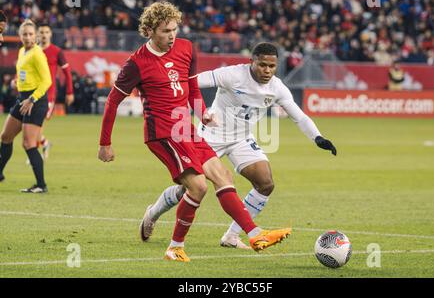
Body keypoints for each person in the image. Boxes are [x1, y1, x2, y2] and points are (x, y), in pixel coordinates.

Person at [97, 2, 291, 262]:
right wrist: (105, 143)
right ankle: (175, 248)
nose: (172, 36)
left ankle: (256, 235)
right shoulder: (137, 63)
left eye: (175, 29)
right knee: (199, 187)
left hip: (185, 128)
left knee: (223, 177)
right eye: (166, 31)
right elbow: (112, 101)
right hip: (162, 133)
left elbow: (192, 88)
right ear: (150, 30)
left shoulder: (186, 48)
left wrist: (203, 114)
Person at [140, 42, 337, 249]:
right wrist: (200, 110)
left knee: (265, 183)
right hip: (210, 138)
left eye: (272, 66)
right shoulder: (232, 75)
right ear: (252, 62)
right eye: (262, 65)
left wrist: (318, 138)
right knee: (188, 189)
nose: (267, 71)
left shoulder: (277, 87)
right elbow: (192, 82)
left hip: (241, 139)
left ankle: (232, 236)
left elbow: (299, 116)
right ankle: (152, 213)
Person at [0, 19, 51, 192]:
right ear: (20, 36)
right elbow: (24, 74)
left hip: (35, 101)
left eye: (30, 34)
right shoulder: (22, 51)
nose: (28, 37)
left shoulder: (38, 54)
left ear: (35, 36)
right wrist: (17, 82)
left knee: (29, 143)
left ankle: (41, 185)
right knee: (5, 136)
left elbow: (47, 81)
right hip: (22, 99)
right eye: (25, 34)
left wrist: (32, 99)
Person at [36, 24, 74, 158]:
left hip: (48, 95)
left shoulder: (57, 51)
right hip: (33, 93)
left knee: (37, 125)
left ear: (50, 34)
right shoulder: (34, 51)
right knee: (32, 126)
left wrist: (70, 92)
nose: (44, 34)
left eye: (46, 32)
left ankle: (35, 153)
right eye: (41, 32)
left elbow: (67, 73)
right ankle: (44, 144)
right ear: (37, 34)